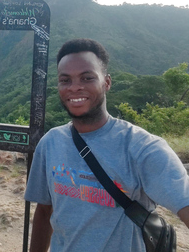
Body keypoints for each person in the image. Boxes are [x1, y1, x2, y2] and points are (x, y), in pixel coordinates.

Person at [25, 38, 189, 251]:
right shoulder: (51, 143)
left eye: (87, 77)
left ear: (107, 82)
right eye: (65, 80)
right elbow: (45, 212)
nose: (75, 87)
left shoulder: (142, 148)